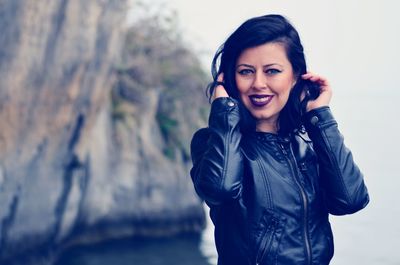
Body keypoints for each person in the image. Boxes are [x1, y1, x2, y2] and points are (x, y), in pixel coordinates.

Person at [190, 14, 369, 265]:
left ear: (295, 76)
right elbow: (220, 188)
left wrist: (320, 116)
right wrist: (224, 108)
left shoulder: (307, 143)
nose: (258, 84)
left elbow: (351, 200)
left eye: (272, 71)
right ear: (230, 79)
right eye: (245, 72)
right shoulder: (212, 143)